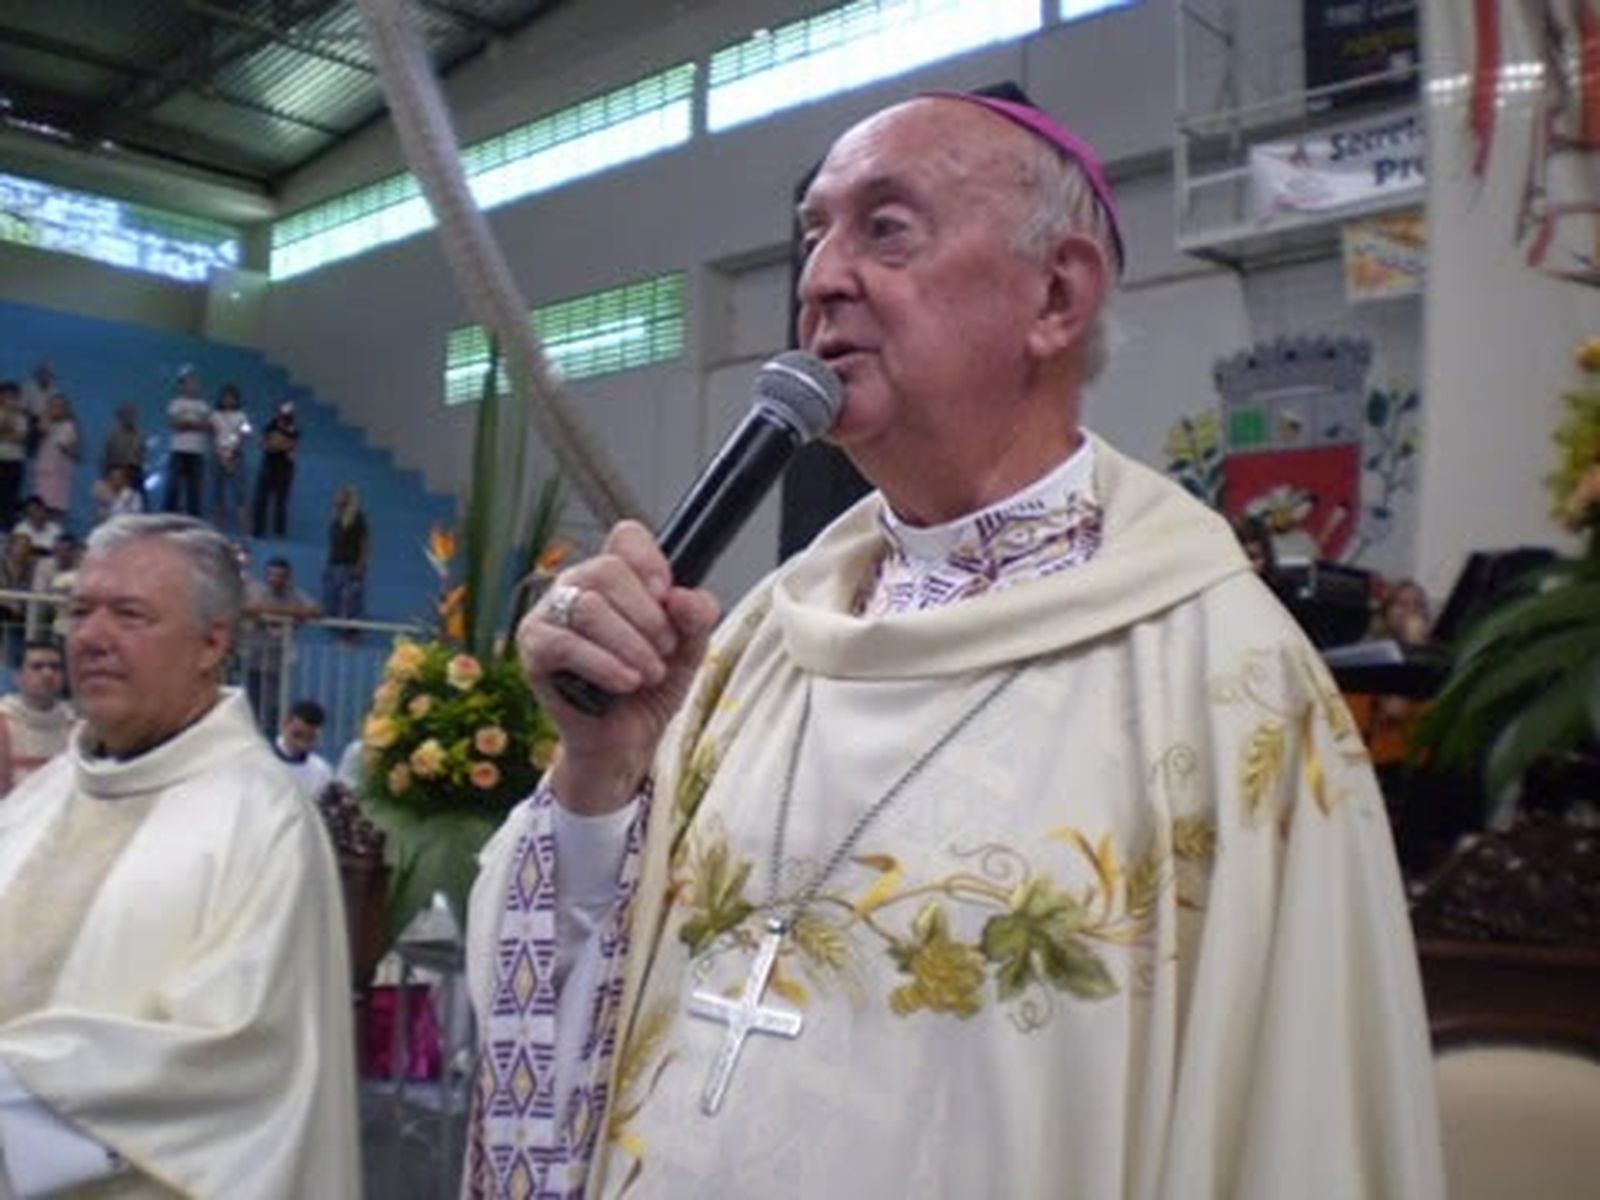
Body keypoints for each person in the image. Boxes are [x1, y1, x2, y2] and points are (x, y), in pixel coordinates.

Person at [466, 91, 1445, 1197]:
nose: (820, 278)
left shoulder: (1223, 684)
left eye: (885, 228)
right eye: (815, 233)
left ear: (1056, 295)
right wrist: (600, 772)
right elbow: (581, 985)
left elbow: (1294, 1118)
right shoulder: (760, 647)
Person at [0, 514, 358, 1195]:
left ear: (212, 643)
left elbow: (234, 1057)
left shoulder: (262, 820)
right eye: (80, 611)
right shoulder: (38, 801)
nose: (92, 637)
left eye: (130, 615)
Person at [239, 555, 319, 732]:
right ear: (266, 575)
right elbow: (244, 607)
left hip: (277, 660)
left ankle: (271, 740)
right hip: (253, 656)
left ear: (288, 577)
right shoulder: (255, 590)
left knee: (274, 705)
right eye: (272, 575)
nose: (276, 579)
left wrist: (281, 616)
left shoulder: (294, 594)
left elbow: (315, 610)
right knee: (250, 702)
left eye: (280, 575)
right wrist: (281, 615)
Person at [0, 638, 72, 797]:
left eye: (55, 667)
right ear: (18, 676)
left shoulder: (79, 732)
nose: (47, 673)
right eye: (37, 667)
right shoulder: (3, 725)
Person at [322, 484, 369, 634]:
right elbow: (334, 545)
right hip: (334, 565)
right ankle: (334, 630)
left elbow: (365, 543)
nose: (336, 499)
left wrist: (361, 565)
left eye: (340, 496)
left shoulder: (357, 518)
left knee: (350, 602)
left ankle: (350, 634)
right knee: (332, 600)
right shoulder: (336, 519)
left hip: (350, 566)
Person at [164, 367, 210, 516]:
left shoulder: (203, 406)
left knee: (195, 490)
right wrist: (193, 424)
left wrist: (188, 424)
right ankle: (168, 518)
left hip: (197, 451)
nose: (192, 386)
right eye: (188, 383)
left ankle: (193, 521)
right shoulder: (175, 403)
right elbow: (175, 425)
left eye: (194, 383)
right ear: (181, 386)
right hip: (178, 450)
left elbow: (206, 426)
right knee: (173, 487)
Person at [253, 400, 300, 538]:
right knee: (261, 498)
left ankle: (279, 532)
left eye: (289, 413)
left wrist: (279, 443)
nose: (285, 416)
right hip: (269, 464)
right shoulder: (270, 426)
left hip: (285, 468)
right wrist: (277, 444)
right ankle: (258, 530)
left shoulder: (294, 429)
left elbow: (290, 447)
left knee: (281, 501)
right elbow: (266, 444)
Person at [272, 697, 334, 801]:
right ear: (284, 724)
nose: (301, 744)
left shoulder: (321, 771)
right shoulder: (263, 761)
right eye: (297, 735)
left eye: (310, 738)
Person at [211, 383, 251, 534]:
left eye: (231, 398)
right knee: (217, 491)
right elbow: (213, 433)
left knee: (240, 492)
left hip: (236, 456)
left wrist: (233, 452)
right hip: (218, 455)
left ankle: (245, 528)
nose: (227, 400)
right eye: (225, 397)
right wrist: (221, 454)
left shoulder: (242, 415)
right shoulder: (214, 415)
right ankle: (218, 527)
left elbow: (246, 433)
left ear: (236, 400)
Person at [33, 393, 80, 519]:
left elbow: (73, 451)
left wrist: (67, 449)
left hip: (61, 471)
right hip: (45, 469)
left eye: (60, 406)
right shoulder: (45, 423)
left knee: (57, 506)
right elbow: (41, 432)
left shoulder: (69, 426)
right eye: (53, 406)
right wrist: (47, 417)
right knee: (42, 503)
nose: (56, 409)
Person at [99, 404, 147, 510]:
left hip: (134, 473)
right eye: (125, 415)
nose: (128, 418)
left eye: (131, 414)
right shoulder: (112, 435)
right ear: (119, 417)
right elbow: (106, 457)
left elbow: (142, 456)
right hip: (116, 473)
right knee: (114, 507)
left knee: (141, 506)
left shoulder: (140, 435)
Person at [0, 382, 27, 530]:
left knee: (10, 498)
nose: (9, 399)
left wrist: (5, 433)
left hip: (14, 462)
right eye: (6, 396)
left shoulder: (21, 417)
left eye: (13, 396)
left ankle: (7, 530)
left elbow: (20, 438)